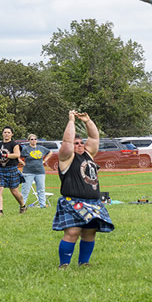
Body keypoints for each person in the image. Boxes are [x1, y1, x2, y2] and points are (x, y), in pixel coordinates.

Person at [53, 111, 114, 268]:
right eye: (76, 143)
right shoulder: (66, 157)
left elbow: (94, 138)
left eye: (81, 142)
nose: (79, 145)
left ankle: (84, 263)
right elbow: (66, 141)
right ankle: (64, 264)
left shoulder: (88, 154)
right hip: (73, 202)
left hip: (92, 202)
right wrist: (71, 121)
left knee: (90, 232)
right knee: (72, 233)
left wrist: (87, 121)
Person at [20, 134, 53, 208]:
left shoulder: (41, 148)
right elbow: (18, 156)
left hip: (40, 172)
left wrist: (44, 161)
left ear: (37, 140)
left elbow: (50, 152)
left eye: (35, 139)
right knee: (25, 190)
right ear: (28, 140)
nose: (33, 140)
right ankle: (22, 205)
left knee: (41, 189)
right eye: (31, 139)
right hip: (28, 172)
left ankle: (43, 205)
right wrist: (23, 163)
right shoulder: (26, 149)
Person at [0, 126, 27, 215]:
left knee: (14, 192)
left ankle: (23, 206)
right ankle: (0, 211)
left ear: (12, 134)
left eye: (8, 132)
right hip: (1, 169)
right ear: (2, 133)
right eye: (5, 132)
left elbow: (17, 155)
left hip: (11, 169)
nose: (6, 134)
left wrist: (5, 156)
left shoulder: (14, 144)